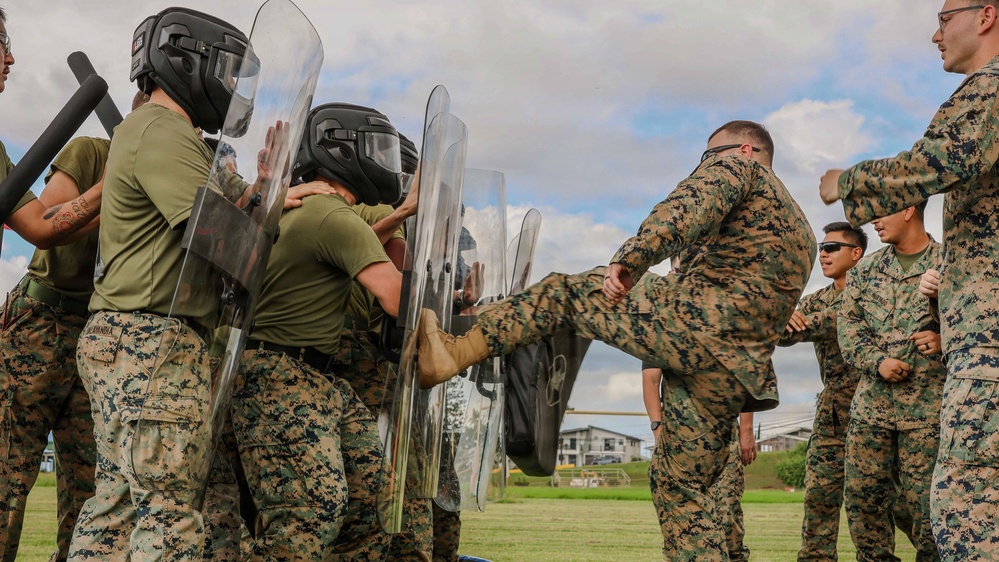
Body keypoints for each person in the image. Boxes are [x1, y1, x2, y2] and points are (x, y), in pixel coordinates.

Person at [419, 120, 816, 560]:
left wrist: (632, 260)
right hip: (735, 375)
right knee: (682, 489)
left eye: (708, 157)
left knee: (564, 292)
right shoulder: (801, 230)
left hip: (697, 326)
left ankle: (451, 353)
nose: (705, 165)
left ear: (745, 150)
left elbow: (688, 205)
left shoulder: (740, 169)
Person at [69, 9, 253, 560]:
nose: (233, 88)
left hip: (126, 339)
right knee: (169, 514)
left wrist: (266, 190)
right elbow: (223, 242)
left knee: (117, 509)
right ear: (187, 61)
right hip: (153, 344)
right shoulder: (163, 130)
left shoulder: (148, 128)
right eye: (227, 70)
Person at [818, 2, 999, 557]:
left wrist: (845, 182)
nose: (935, 34)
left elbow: (940, 158)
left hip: (984, 349)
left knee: (964, 507)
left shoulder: (990, 88)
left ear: (987, 15)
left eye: (946, 19)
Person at [230, 102, 405, 560]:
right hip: (280, 375)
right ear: (346, 152)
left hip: (313, 376)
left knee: (373, 506)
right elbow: (396, 299)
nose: (389, 166)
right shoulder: (331, 215)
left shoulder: (307, 208)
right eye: (380, 152)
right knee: (306, 517)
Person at [837, 203, 945, 562]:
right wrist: (877, 362)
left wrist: (945, 341)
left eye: (883, 213)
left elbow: (980, 327)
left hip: (929, 413)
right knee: (863, 501)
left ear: (910, 210)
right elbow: (849, 329)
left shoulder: (950, 265)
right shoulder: (865, 271)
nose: (874, 222)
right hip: (872, 411)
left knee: (928, 508)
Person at [776, 221, 867, 561]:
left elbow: (829, 321)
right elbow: (785, 333)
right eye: (821, 248)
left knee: (880, 503)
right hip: (832, 414)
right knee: (819, 496)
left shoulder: (873, 292)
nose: (823, 254)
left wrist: (798, 320)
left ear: (856, 254)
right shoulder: (816, 300)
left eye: (832, 248)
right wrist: (786, 319)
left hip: (876, 412)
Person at [642, 363, 756, 562]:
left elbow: (745, 373)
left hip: (724, 435)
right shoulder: (662, 332)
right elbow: (651, 380)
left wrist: (746, 429)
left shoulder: (726, 331)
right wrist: (658, 428)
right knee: (680, 522)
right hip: (679, 439)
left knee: (727, 515)